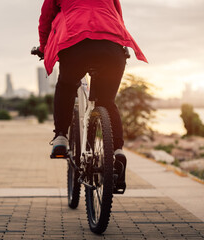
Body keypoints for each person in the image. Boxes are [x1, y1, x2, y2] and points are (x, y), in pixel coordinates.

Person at [37, 0, 147, 191]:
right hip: (112, 46)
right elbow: (117, 15)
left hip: (75, 42)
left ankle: (61, 137)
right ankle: (118, 152)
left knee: (66, 86)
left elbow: (46, 19)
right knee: (107, 102)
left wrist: (43, 47)